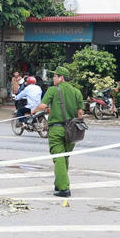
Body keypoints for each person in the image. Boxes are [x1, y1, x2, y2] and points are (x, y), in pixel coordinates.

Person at [30, 66, 84, 197]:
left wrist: (33, 111)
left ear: (61, 78)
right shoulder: (77, 92)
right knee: (64, 157)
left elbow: (43, 106)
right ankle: (59, 183)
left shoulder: (53, 90)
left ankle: (64, 188)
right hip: (72, 130)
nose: (53, 78)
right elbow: (80, 114)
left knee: (58, 158)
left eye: (55, 76)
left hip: (57, 129)